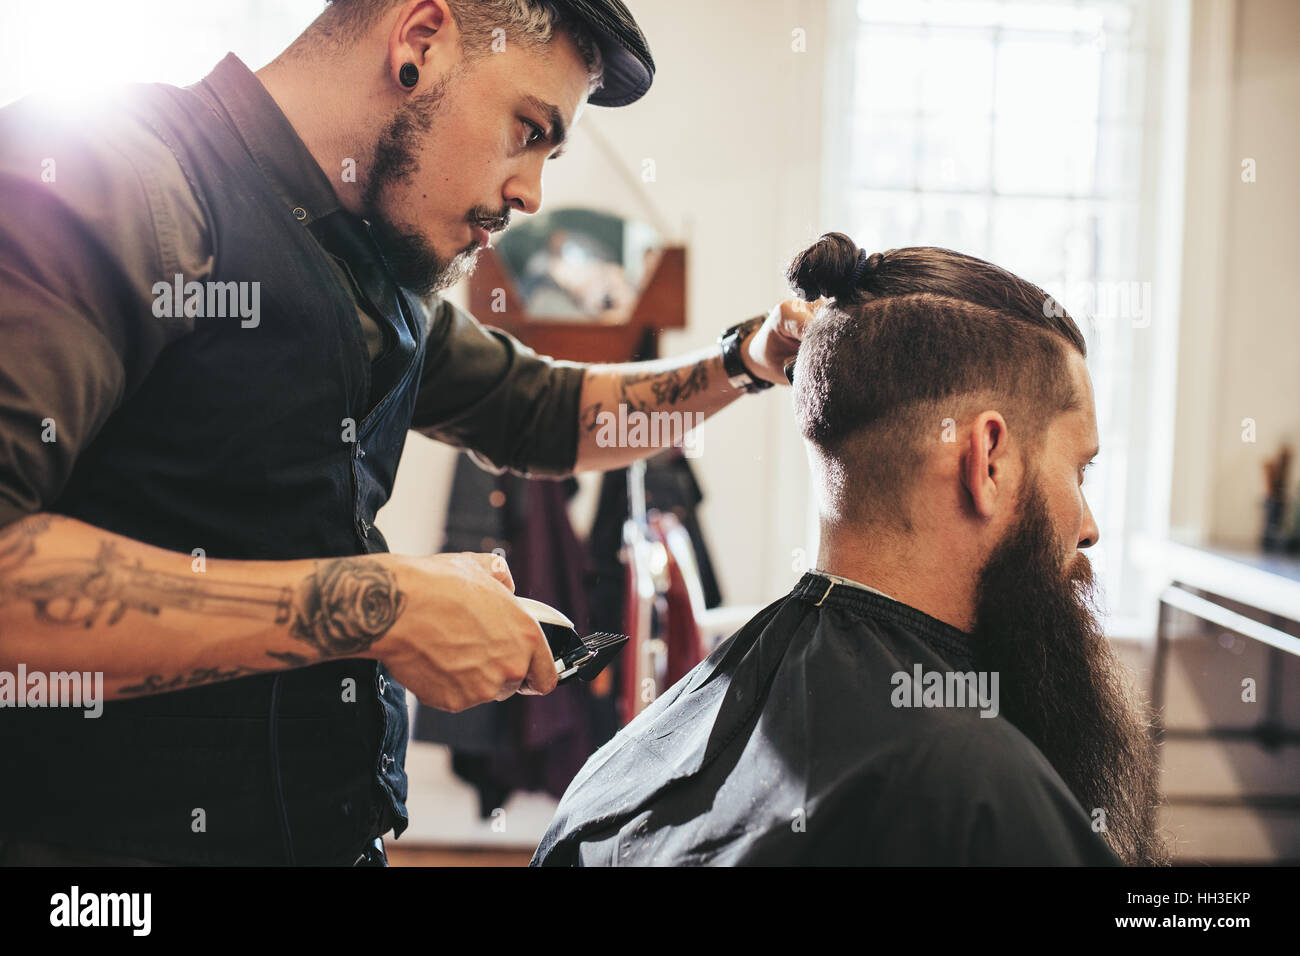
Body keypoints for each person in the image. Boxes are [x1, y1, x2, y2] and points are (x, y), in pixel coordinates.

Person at [0, 0, 815, 866]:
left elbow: (543, 413)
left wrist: (749, 360)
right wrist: (385, 607)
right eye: (529, 130)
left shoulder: (375, 261)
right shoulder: (112, 175)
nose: (530, 194)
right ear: (420, 41)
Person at [532, 232, 1171, 867]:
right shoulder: (981, 797)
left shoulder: (613, 774)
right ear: (989, 460)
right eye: (1078, 471)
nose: (1088, 527)